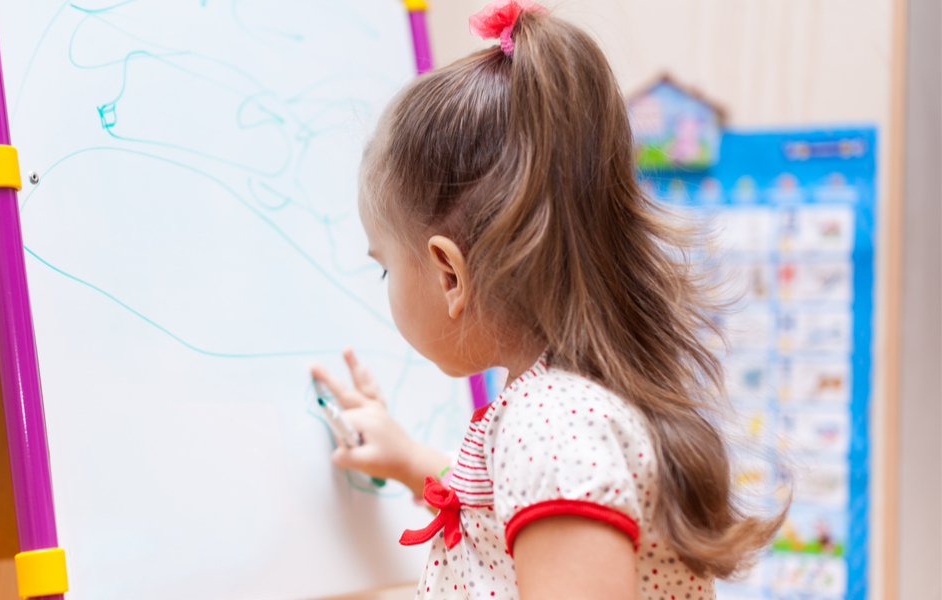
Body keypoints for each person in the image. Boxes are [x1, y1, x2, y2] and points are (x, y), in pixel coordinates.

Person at [309, 2, 783, 598]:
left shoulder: (552, 426)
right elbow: (513, 501)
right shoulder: (565, 409)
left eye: (385, 270)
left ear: (448, 273)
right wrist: (408, 459)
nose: (386, 289)